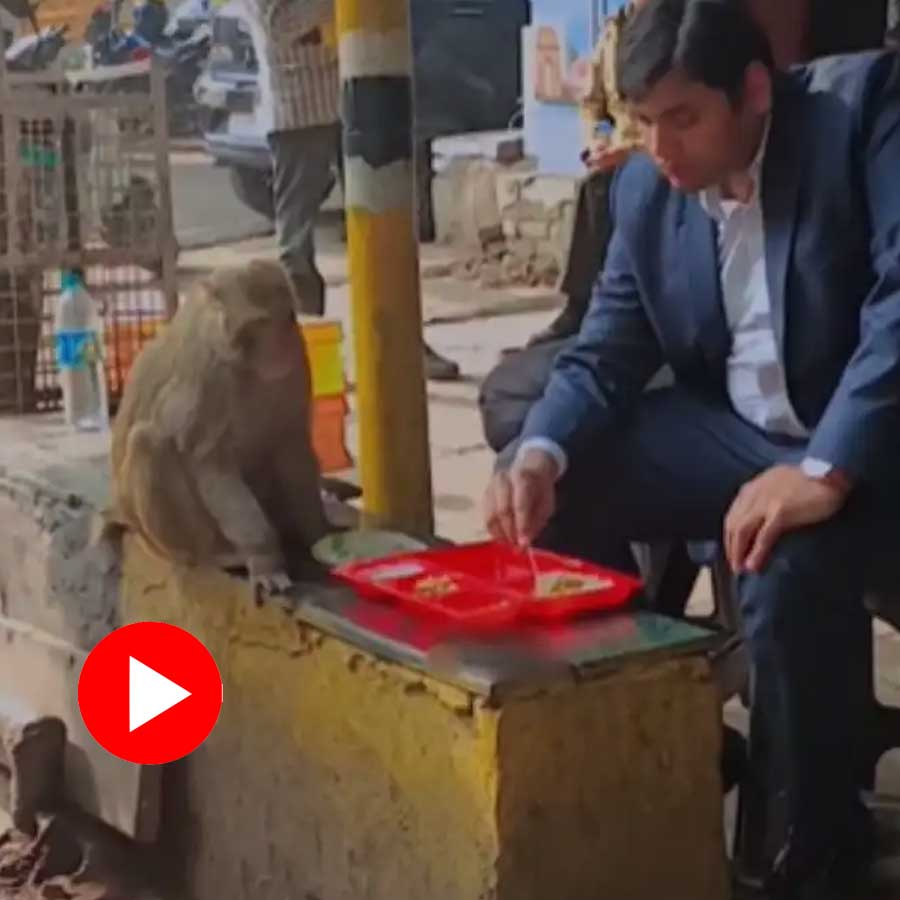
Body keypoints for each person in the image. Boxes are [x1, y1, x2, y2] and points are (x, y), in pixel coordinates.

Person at [483, 1, 900, 896]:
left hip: (867, 448)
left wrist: (822, 470)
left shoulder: (860, 116)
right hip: (740, 437)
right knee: (566, 475)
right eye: (645, 122)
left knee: (784, 569)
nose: (662, 148)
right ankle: (674, 743)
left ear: (754, 90)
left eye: (684, 118)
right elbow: (605, 351)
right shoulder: (646, 191)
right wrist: (538, 452)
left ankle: (815, 843)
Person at [247, 0, 461, 381]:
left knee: (385, 228)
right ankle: (306, 356)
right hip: (300, 109)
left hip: (356, 96)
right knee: (295, 245)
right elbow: (280, 25)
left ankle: (402, 344)